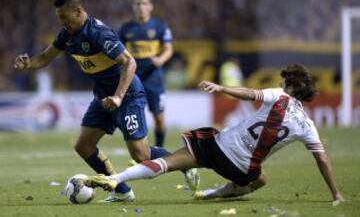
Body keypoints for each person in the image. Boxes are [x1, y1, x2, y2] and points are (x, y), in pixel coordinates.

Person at [13, 0, 198, 203]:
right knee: (84, 146)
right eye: (59, 18)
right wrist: (28, 64)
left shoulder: (99, 33)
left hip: (127, 94)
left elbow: (130, 63)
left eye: (64, 17)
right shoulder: (67, 34)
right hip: (103, 97)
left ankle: (185, 164)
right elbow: (45, 57)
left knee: (141, 156)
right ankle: (122, 190)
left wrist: (118, 97)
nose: (62, 22)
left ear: (78, 11)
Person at [84, 64, 344, 205]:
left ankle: (117, 178)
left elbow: (249, 93)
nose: (280, 84)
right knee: (261, 179)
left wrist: (220, 87)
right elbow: (322, 160)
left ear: (289, 86)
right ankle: (214, 194)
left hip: (219, 147)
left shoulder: (279, 96)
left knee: (166, 163)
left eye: (283, 81)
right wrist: (335, 194)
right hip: (243, 170)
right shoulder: (308, 126)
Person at [118, 0, 173, 147]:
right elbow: (118, 51)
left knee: (159, 118)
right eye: (137, 4)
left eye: (144, 3)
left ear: (150, 6)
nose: (141, 7)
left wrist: (160, 59)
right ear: (133, 7)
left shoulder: (159, 26)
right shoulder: (126, 29)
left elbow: (168, 49)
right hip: (133, 76)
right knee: (134, 116)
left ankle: (159, 150)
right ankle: (139, 151)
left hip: (154, 77)